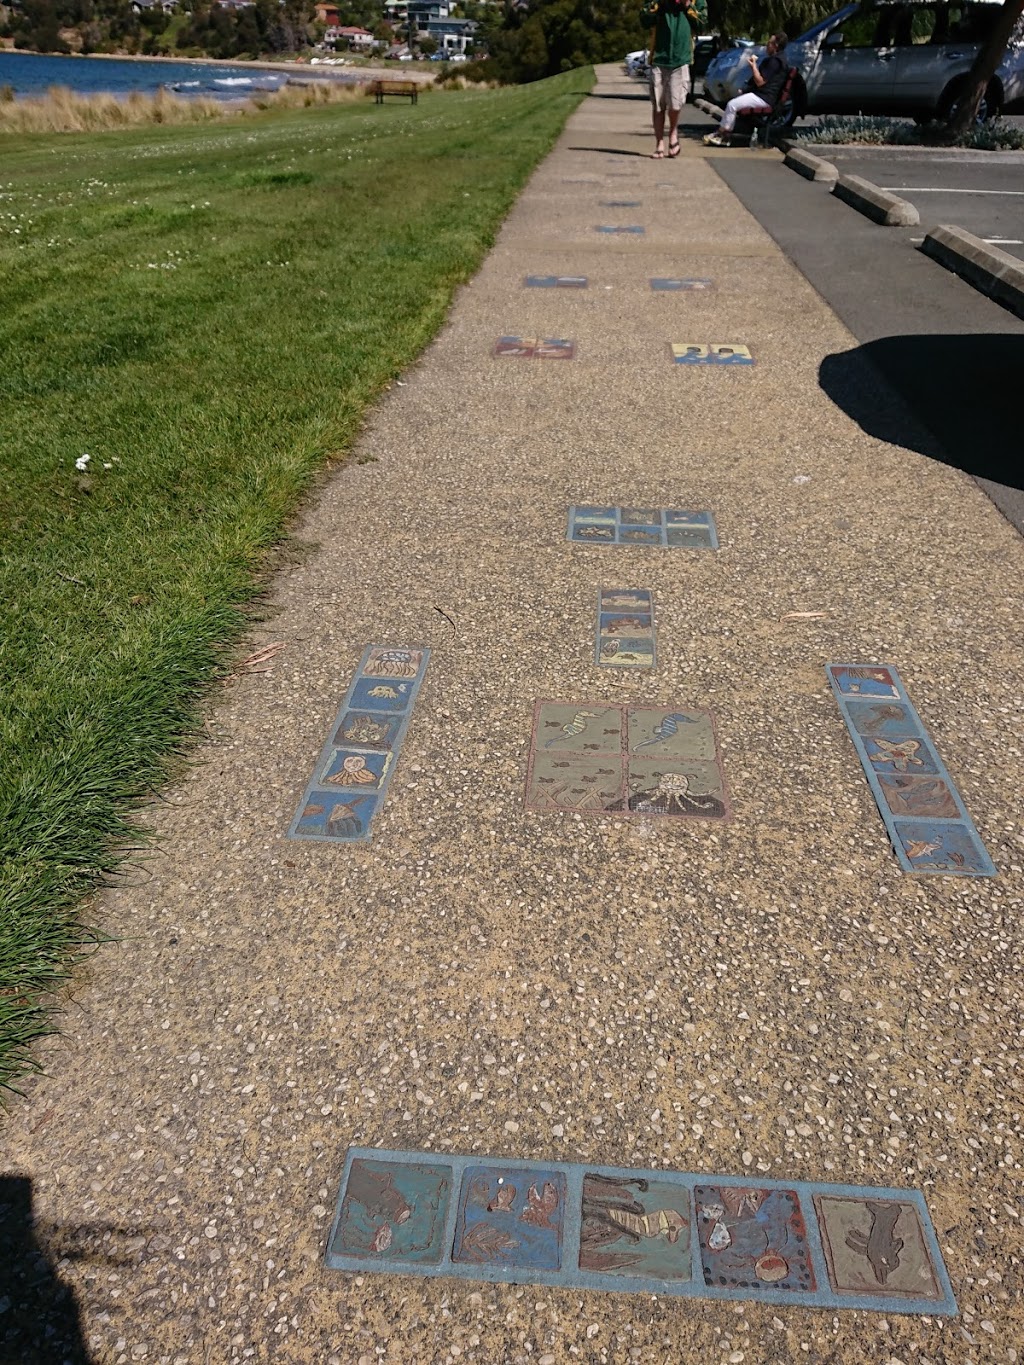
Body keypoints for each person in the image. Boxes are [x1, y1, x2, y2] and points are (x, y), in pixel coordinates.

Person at [641, 0, 708, 159]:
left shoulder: (695, 1)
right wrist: (658, 4)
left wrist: (686, 6)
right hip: (659, 57)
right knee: (658, 105)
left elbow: (702, 24)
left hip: (681, 57)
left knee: (675, 103)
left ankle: (673, 132)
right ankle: (659, 143)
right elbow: (644, 20)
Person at [703, 32, 789, 147]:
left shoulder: (775, 62)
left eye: (769, 43)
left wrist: (753, 66)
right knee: (734, 103)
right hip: (765, 96)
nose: (767, 46)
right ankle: (721, 132)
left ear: (776, 45)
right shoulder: (779, 60)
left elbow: (760, 82)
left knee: (732, 105)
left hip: (764, 98)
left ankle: (723, 135)